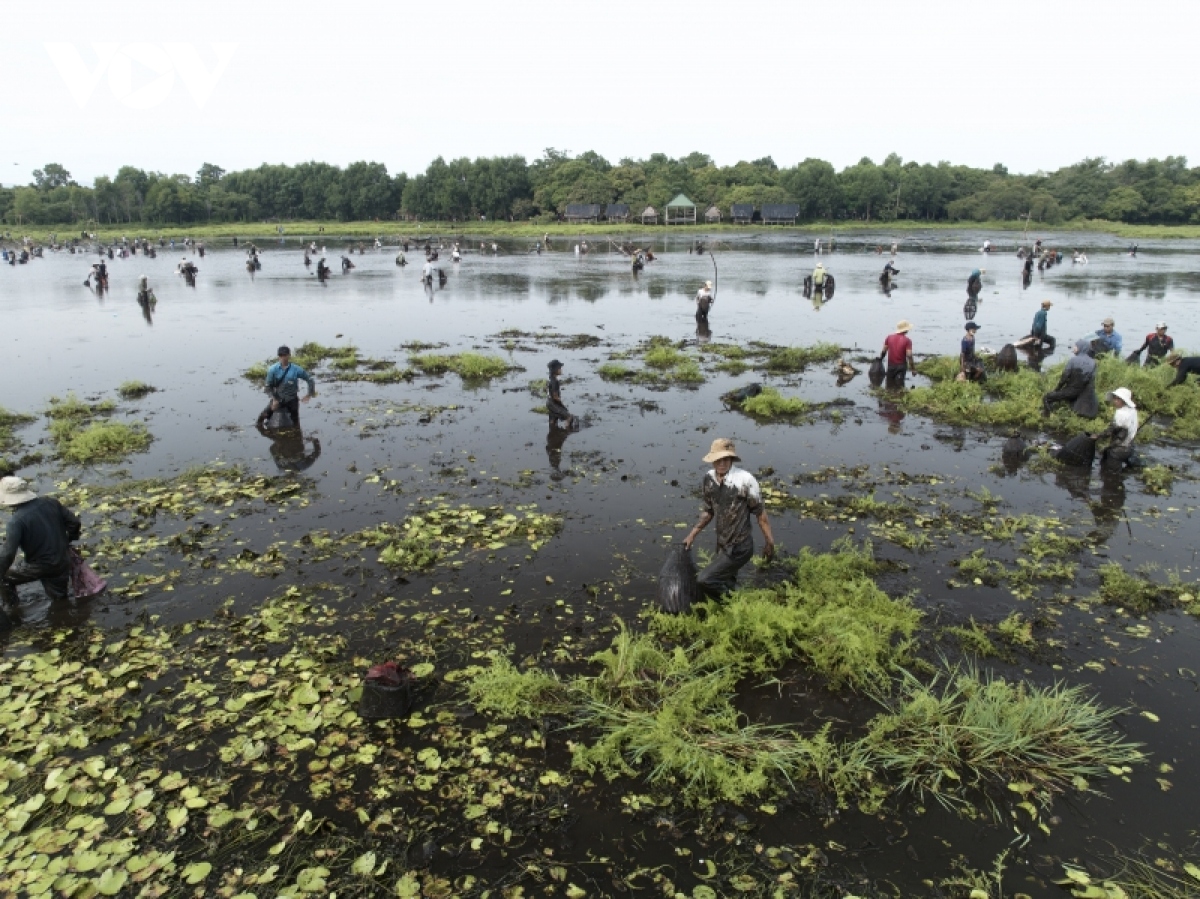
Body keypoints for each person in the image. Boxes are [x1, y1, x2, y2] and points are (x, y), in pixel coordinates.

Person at [683, 438, 775, 600]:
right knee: (726, 581)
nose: (722, 463)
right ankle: (732, 606)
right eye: (718, 459)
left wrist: (769, 542)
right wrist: (692, 535)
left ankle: (737, 606)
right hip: (723, 543)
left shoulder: (744, 480)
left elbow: (760, 515)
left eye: (726, 459)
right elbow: (708, 511)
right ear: (712, 460)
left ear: (732, 459)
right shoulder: (709, 479)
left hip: (740, 546)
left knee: (705, 580)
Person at [0, 476, 82, 627]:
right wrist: (69, 539)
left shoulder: (16, 521)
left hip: (41, 565)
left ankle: (12, 610)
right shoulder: (50, 502)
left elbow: (7, 554)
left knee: (5, 577)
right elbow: (74, 523)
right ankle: (64, 621)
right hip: (62, 560)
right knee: (60, 600)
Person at [256, 346, 317, 428]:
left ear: (289, 355)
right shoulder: (272, 370)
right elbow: (268, 387)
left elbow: (309, 379)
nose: (283, 357)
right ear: (278, 357)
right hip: (278, 398)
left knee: (295, 421)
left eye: (285, 355)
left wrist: (309, 394)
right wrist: (274, 399)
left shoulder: (296, 369)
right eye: (281, 355)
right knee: (263, 416)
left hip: (292, 399)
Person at [1042, 339, 1099, 417]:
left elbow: (1064, 377)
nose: (1074, 348)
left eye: (1076, 346)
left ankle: (1047, 416)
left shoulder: (1073, 360)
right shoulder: (1093, 362)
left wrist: (1057, 390)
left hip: (1071, 391)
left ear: (1081, 348)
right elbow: (1092, 381)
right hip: (1083, 393)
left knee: (1046, 397)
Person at [1092, 388, 1140, 471]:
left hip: (1119, 451)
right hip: (1130, 445)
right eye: (1115, 398)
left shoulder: (1121, 414)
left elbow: (1113, 431)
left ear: (1124, 401)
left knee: (1111, 473)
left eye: (1118, 399)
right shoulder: (1132, 410)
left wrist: (1098, 436)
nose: (1115, 401)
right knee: (1105, 458)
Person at [882, 320, 914, 388]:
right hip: (901, 366)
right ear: (906, 330)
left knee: (889, 384)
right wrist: (913, 369)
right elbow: (909, 356)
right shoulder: (907, 341)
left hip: (891, 365)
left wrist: (880, 359)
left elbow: (884, 351)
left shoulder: (889, 337)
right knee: (900, 385)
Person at [547, 360, 576, 428]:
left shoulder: (551, 379)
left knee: (553, 420)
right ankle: (567, 431)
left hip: (549, 402)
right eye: (559, 368)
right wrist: (561, 405)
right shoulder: (554, 381)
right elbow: (555, 396)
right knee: (569, 417)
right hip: (553, 403)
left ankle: (553, 434)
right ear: (555, 370)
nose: (561, 370)